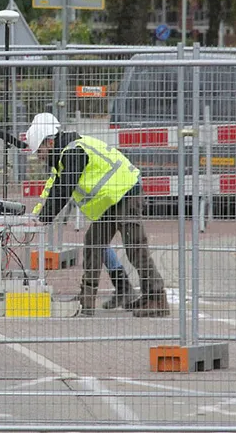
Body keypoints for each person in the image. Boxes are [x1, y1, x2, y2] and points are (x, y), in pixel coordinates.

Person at [25, 112, 169, 317]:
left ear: (49, 142)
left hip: (125, 192)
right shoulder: (63, 157)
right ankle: (87, 300)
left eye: (39, 150)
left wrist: (43, 219)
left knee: (135, 247)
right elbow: (53, 188)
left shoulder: (74, 152)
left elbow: (64, 188)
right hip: (111, 200)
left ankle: (157, 298)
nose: (38, 156)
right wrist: (37, 215)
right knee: (93, 243)